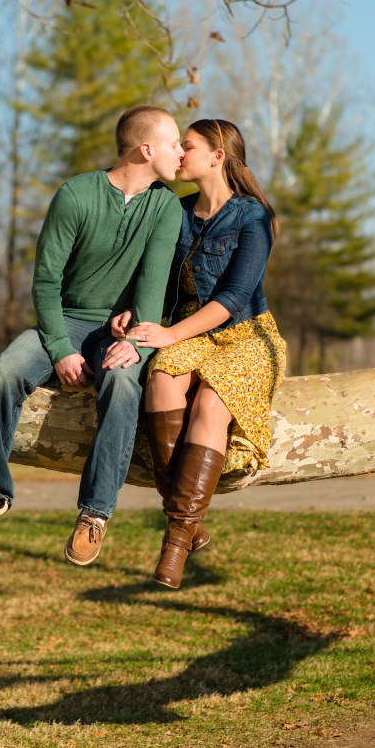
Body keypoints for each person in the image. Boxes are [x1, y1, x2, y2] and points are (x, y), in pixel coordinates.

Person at [0, 105, 184, 566]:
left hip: (124, 328)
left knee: (122, 382)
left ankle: (95, 513)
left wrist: (134, 343)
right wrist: (60, 349)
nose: (181, 153)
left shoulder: (165, 208)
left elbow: (152, 288)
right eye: (174, 143)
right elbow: (46, 281)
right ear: (146, 149)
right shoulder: (75, 195)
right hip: (64, 320)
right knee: (4, 372)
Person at [123, 118, 287, 589]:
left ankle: (174, 543)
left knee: (212, 405)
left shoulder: (253, 216)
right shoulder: (174, 211)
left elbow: (234, 297)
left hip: (244, 335)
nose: (179, 154)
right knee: (160, 382)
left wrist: (170, 336)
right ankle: (189, 522)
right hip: (185, 334)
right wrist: (130, 313)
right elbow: (152, 278)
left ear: (217, 156)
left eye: (188, 146)